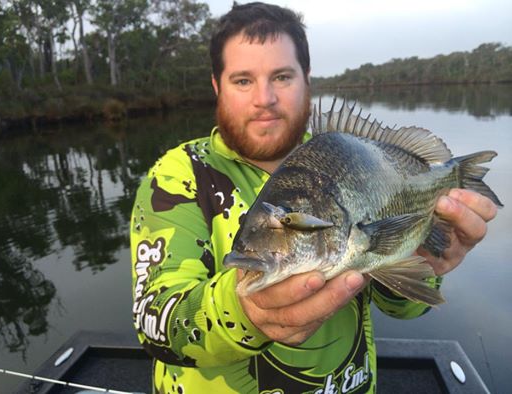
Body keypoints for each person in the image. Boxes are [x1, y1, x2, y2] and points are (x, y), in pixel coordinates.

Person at [130, 2, 498, 393]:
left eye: (282, 77)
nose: (264, 98)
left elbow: (405, 305)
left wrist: (428, 260)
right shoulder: (178, 175)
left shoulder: (335, 159)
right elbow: (155, 323)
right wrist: (244, 312)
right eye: (243, 80)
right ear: (217, 85)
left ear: (307, 79)